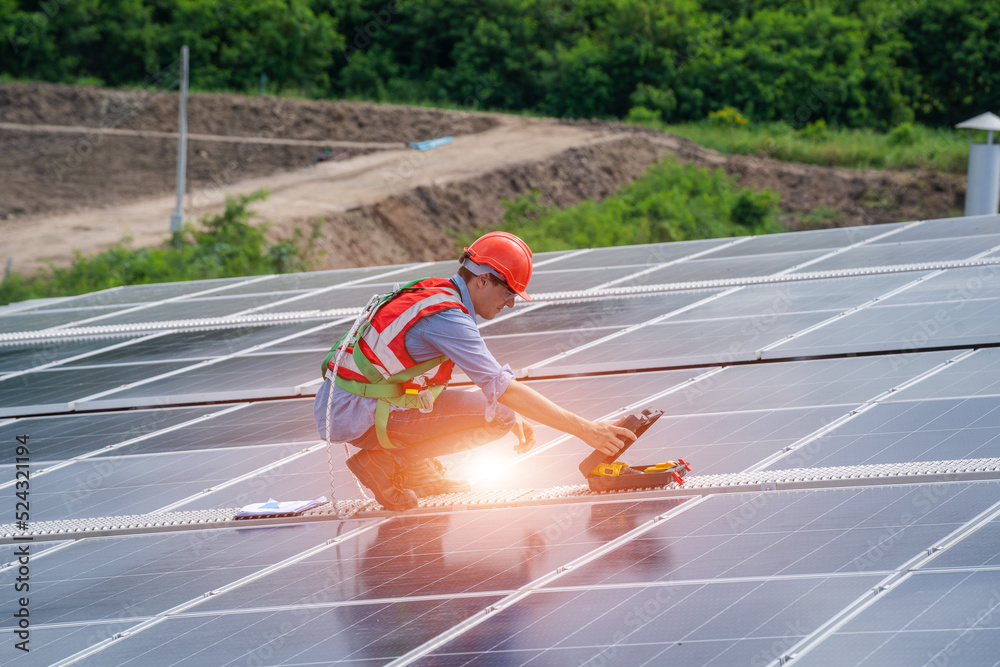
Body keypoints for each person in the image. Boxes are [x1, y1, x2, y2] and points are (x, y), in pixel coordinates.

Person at [315, 231, 636, 510]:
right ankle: (387, 462)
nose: (511, 303)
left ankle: (410, 468)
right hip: (360, 415)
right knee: (501, 416)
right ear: (482, 280)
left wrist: (505, 401)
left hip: (350, 406)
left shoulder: (435, 293)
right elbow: (502, 388)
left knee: (501, 409)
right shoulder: (447, 319)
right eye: (508, 291)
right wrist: (586, 430)